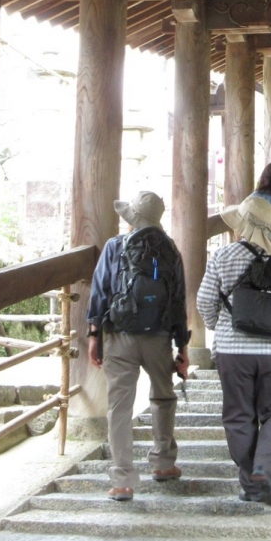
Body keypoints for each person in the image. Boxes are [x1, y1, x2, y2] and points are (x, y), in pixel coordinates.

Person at [197, 193, 271, 506]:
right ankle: (263, 470)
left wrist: (220, 326)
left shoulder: (223, 255)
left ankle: (251, 480)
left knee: (238, 415)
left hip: (233, 350)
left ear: (242, 226)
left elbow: (205, 301)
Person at [86, 191, 190, 502]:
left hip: (120, 336)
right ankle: (163, 463)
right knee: (163, 397)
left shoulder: (115, 246)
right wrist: (182, 347)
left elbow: (100, 291)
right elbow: (178, 299)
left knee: (120, 407)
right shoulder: (170, 249)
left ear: (132, 218)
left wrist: (94, 335)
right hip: (158, 336)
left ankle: (122, 481)